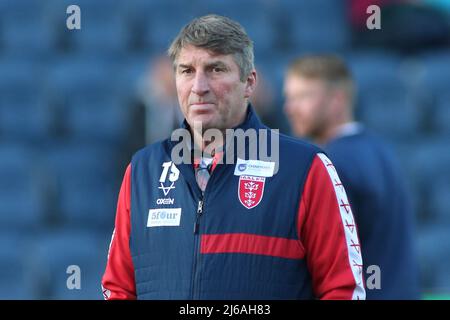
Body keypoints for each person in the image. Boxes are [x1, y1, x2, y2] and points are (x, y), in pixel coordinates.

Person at [101, 15, 365, 300]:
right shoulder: (142, 170)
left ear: (249, 83)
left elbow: (343, 289)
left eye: (215, 69)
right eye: (187, 71)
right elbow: (119, 288)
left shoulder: (306, 168)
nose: (199, 87)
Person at [283, 55, 420, 299]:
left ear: (337, 100)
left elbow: (331, 259)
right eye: (289, 98)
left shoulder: (329, 164)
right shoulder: (382, 150)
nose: (290, 108)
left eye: (303, 97)